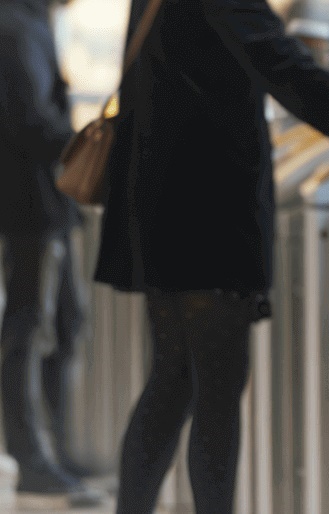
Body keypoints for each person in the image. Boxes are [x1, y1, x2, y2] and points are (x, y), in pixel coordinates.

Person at [94, 0, 329, 512]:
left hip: (164, 205)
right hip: (206, 211)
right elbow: (276, 60)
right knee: (215, 387)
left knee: (173, 379)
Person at [0, 0, 106, 507]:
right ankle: (33, 457)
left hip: (44, 204)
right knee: (31, 329)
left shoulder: (30, 21)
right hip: (30, 206)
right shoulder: (14, 25)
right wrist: (97, 147)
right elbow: (29, 121)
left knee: (61, 325)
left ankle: (53, 453)